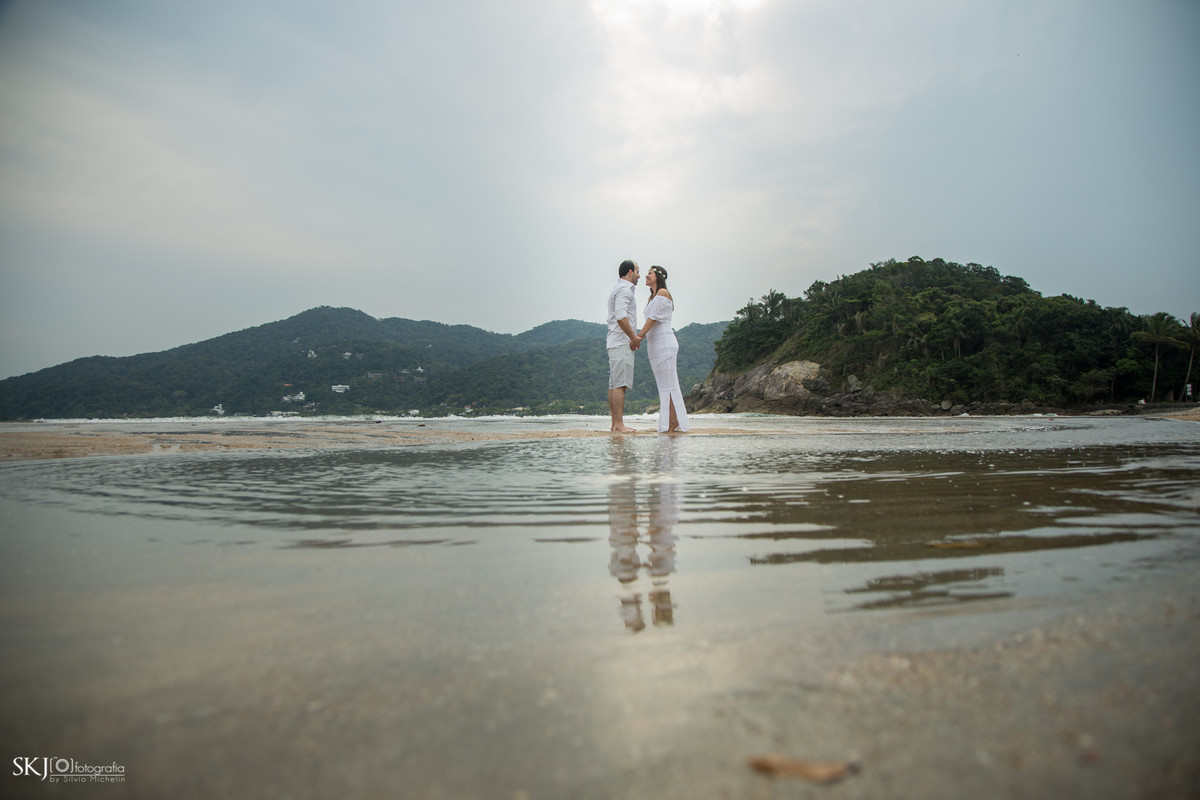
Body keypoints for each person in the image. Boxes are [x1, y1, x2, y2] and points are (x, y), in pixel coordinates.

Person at [637, 265, 691, 433]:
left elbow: (653, 318)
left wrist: (639, 336)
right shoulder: (652, 297)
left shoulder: (662, 293)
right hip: (654, 345)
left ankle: (672, 422)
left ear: (658, 277)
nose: (646, 276)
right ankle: (671, 421)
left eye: (650, 273)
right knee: (664, 384)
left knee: (669, 384)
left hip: (664, 343)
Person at [606, 259, 641, 433]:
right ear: (630, 272)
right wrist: (633, 338)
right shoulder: (625, 290)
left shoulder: (617, 288)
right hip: (621, 342)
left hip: (615, 341)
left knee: (614, 385)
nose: (639, 276)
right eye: (637, 271)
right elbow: (621, 316)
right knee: (620, 385)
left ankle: (615, 424)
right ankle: (619, 424)